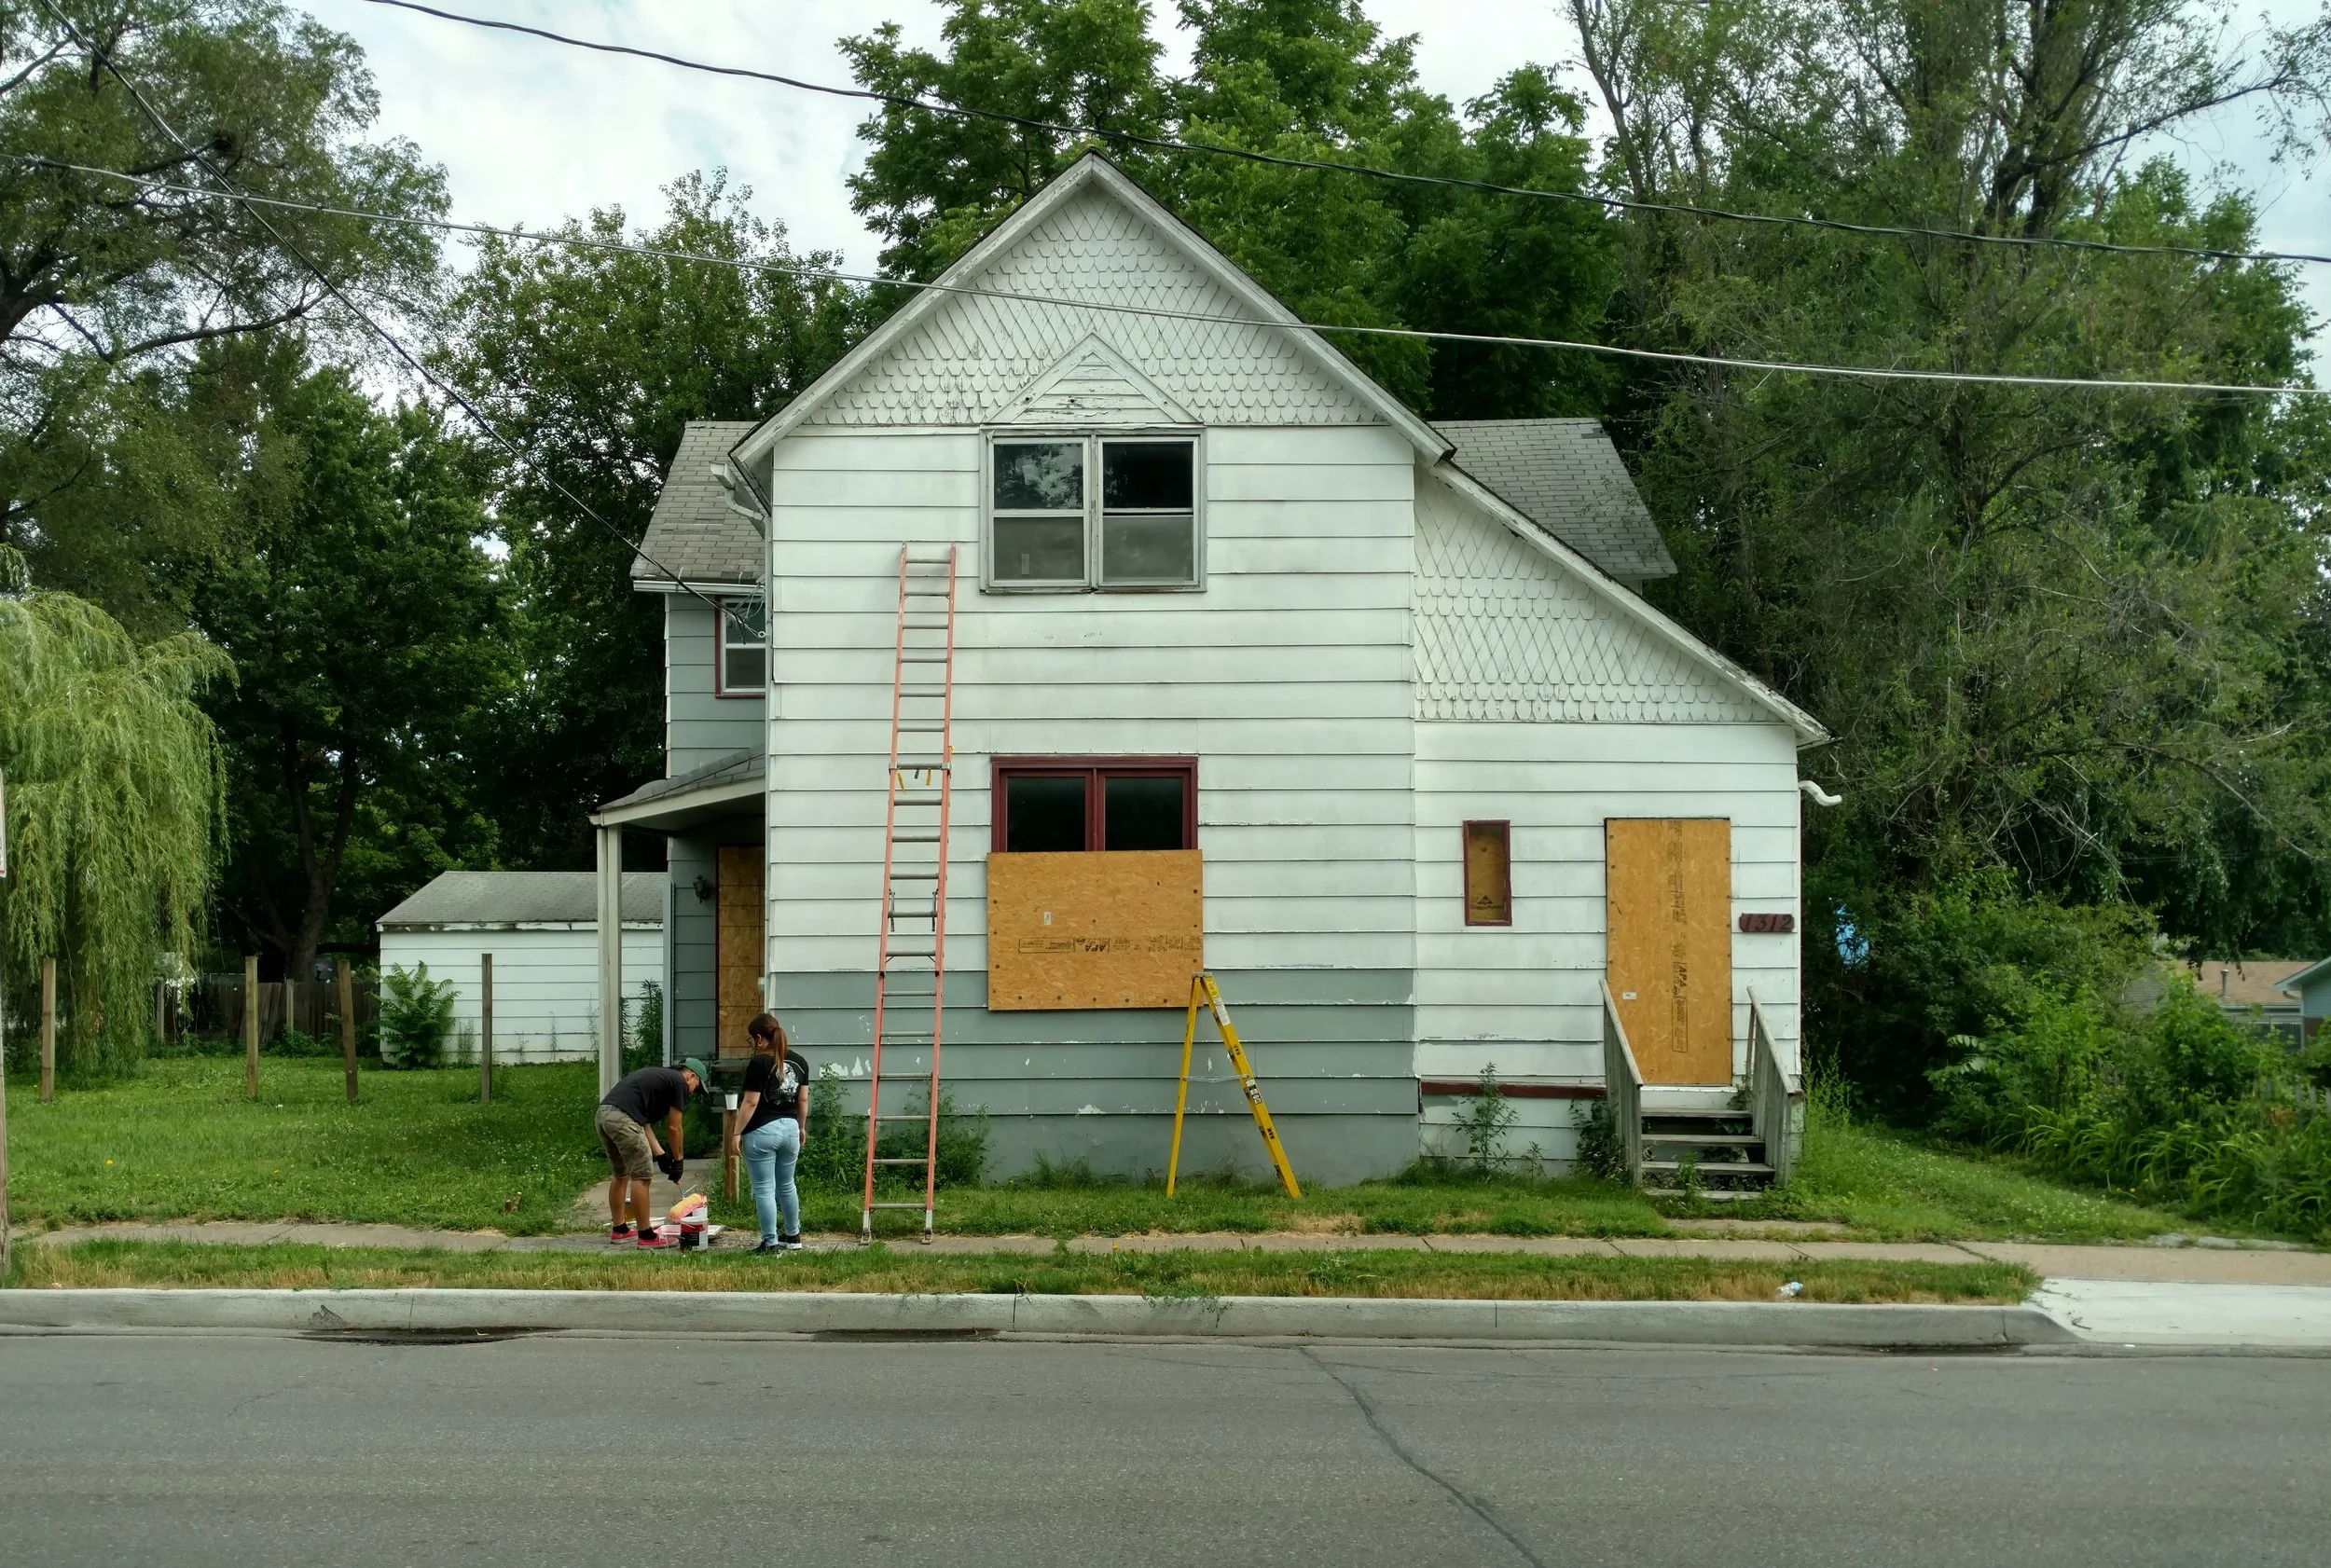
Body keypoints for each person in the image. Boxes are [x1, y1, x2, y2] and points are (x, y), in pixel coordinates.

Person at [598, 1056, 708, 1248]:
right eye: (697, 1087)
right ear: (690, 1076)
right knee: (642, 1176)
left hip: (604, 1115)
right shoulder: (679, 1083)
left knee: (621, 1174)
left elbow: (643, 1123)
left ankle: (620, 1230)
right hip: (623, 1119)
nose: (693, 1093)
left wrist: (662, 1156)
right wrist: (679, 1159)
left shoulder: (661, 1080)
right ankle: (646, 1236)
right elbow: (675, 1127)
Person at [734, 1013, 810, 1255]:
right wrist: (801, 1127)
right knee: (787, 1185)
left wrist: (736, 1132)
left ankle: (770, 1243)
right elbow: (803, 1099)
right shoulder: (800, 1062)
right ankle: (793, 1236)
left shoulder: (759, 1063)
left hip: (762, 1130)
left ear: (759, 1038)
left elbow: (750, 1103)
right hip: (790, 1129)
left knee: (764, 1188)